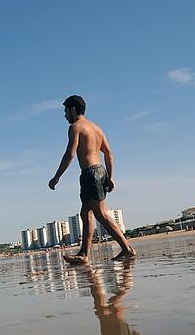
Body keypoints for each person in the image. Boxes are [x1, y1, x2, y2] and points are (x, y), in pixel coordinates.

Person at [48, 95, 136, 264]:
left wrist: (56, 177)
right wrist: (110, 176)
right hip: (100, 171)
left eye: (66, 111)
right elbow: (108, 153)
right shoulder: (96, 128)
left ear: (73, 109)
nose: (65, 115)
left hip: (90, 173)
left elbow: (70, 154)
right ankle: (84, 254)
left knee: (101, 214)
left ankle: (127, 249)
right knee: (85, 212)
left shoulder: (76, 127)